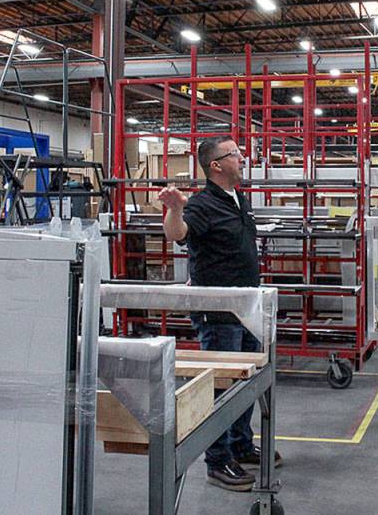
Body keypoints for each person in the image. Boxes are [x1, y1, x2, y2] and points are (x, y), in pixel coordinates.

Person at [159, 135, 281, 491]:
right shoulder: (202, 204)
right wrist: (175, 209)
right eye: (235, 154)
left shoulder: (239, 199)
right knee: (220, 387)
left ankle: (240, 445)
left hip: (247, 309)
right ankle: (217, 460)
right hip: (218, 313)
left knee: (246, 383)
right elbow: (177, 233)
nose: (242, 158)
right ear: (216, 165)